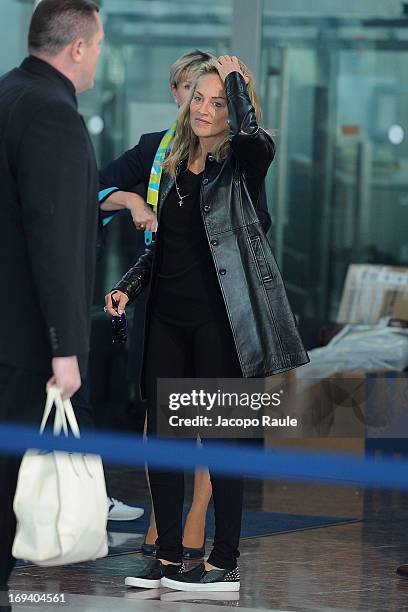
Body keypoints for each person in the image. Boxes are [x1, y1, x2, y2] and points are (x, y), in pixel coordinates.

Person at [105, 55, 308, 592]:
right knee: (165, 445)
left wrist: (239, 85)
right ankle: (168, 557)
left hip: (222, 324)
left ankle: (224, 561)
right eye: (199, 98)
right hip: (167, 321)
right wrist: (127, 285)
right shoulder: (170, 165)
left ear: (232, 111)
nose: (204, 110)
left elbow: (256, 140)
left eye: (218, 103)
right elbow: (165, 248)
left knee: (221, 443)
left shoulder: (242, 165)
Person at [0, 0, 103, 593]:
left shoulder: (8, 93)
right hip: (22, 346)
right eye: (99, 45)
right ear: (78, 47)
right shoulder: (53, 113)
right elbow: (56, 241)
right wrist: (66, 349)